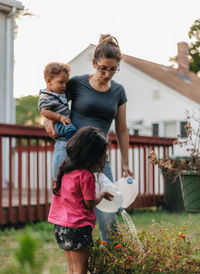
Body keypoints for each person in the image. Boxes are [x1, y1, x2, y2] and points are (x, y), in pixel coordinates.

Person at [45, 34, 133, 242]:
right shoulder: (76, 83)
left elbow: (121, 129)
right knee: (71, 209)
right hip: (68, 152)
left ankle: (113, 262)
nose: (107, 73)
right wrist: (48, 123)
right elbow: (51, 102)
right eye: (103, 67)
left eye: (113, 69)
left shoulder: (119, 92)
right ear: (94, 63)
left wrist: (126, 162)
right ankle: (76, 259)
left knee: (108, 211)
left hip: (98, 158)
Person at [48, 126, 113, 274]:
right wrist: (102, 194)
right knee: (80, 270)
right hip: (77, 228)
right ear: (92, 155)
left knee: (71, 269)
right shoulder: (86, 175)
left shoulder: (65, 170)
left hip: (60, 227)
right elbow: (89, 203)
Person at [38, 62, 76, 142]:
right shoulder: (46, 97)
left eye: (66, 83)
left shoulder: (60, 94)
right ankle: (72, 143)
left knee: (72, 128)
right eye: (61, 82)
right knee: (70, 129)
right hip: (58, 124)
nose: (64, 86)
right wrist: (60, 117)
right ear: (49, 81)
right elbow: (44, 112)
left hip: (65, 121)